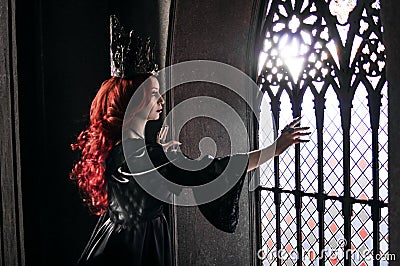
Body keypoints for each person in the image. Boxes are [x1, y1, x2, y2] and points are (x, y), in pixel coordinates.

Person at [70, 15, 310, 266]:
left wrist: (162, 156)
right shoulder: (151, 157)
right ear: (134, 102)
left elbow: (139, 180)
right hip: (139, 245)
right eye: (154, 94)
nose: (161, 101)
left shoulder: (116, 148)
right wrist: (275, 149)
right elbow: (215, 170)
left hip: (111, 236)